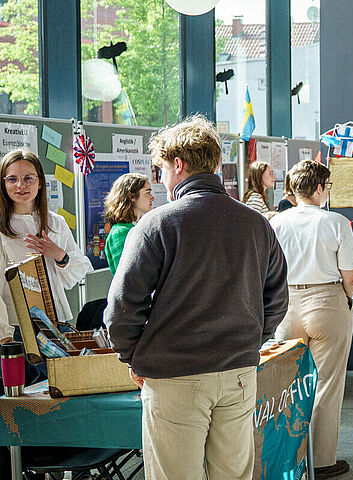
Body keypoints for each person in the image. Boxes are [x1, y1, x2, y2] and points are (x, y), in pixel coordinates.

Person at [105, 116, 289, 480]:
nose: (161, 180)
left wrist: (133, 356)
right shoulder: (256, 224)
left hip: (174, 374)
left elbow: (122, 308)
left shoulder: (156, 225)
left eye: (161, 170)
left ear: (179, 164)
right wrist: (250, 339)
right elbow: (277, 299)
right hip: (238, 370)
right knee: (234, 474)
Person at [269, 160, 353, 479]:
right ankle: (321, 461)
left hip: (286, 304)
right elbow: (349, 276)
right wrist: (346, 299)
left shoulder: (276, 223)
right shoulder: (336, 222)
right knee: (325, 385)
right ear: (320, 188)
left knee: (288, 386)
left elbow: (270, 272)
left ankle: (290, 459)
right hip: (327, 302)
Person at [0, 150, 90, 338]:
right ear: (3, 184)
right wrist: (4, 335)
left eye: (28, 178)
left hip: (56, 322)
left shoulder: (55, 223)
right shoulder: (2, 228)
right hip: (16, 328)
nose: (20, 185)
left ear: (40, 182)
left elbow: (76, 274)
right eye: (12, 179)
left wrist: (59, 255)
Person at [102, 172, 153, 272]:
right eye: (147, 193)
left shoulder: (136, 226)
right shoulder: (120, 232)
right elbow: (130, 275)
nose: (152, 197)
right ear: (132, 197)